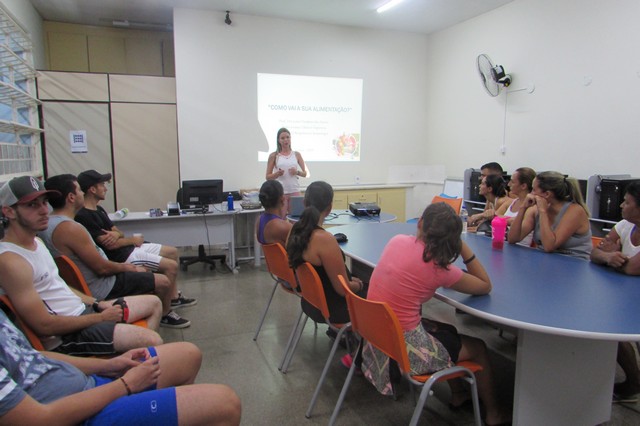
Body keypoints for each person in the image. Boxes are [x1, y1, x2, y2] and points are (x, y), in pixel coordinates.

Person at [361, 203, 510, 425]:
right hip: (407, 349)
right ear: (451, 239)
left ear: (420, 223)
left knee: (447, 330)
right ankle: (494, 415)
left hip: (379, 336)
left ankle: (459, 394)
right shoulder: (440, 269)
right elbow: (484, 285)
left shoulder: (397, 241)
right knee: (478, 347)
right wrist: (463, 248)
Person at [0, 176, 163, 356]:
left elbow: (59, 284)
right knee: (152, 340)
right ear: (9, 211)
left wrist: (96, 303)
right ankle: (127, 366)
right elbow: (44, 325)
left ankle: (131, 360)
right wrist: (100, 318)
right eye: (32, 205)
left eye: (45, 202)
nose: (44, 210)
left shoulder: (37, 241)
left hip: (84, 311)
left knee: (154, 303)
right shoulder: (11, 261)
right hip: (67, 335)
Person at [0, 309, 241, 425]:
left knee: (187, 354)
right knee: (225, 403)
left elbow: (32, 355)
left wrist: (107, 365)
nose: (44, 208)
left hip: (87, 385)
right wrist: (126, 385)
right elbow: (37, 420)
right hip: (73, 415)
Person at [41, 174, 189, 329]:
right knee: (163, 281)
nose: (82, 193)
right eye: (79, 190)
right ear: (71, 197)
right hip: (103, 285)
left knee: (165, 259)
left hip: (100, 278)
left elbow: (112, 240)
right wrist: (130, 268)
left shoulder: (50, 224)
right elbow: (102, 268)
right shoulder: (70, 228)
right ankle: (164, 315)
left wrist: (119, 238)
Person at [74, 170, 196, 312]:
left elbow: (118, 232)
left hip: (129, 248)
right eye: (102, 184)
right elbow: (111, 245)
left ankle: (173, 297)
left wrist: (116, 234)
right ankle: (165, 312)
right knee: (171, 266)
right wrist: (132, 240)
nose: (106, 188)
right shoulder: (83, 216)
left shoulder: (99, 209)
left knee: (172, 252)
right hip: (122, 256)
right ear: (92, 189)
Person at [286, 181, 364, 325]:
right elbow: (342, 289)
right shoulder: (324, 239)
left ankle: (345, 338)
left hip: (311, 303)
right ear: (329, 208)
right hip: (335, 310)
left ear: (304, 202)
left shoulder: (293, 230)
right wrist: (359, 285)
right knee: (375, 289)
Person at [590, 181, 640, 401]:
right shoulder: (624, 225)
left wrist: (613, 257)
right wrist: (610, 256)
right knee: (615, 334)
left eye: (627, 202)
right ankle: (634, 381)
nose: (621, 205)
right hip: (627, 295)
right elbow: (595, 253)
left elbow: (631, 269)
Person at [507, 171, 592, 259]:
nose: (530, 194)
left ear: (547, 194)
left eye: (534, 190)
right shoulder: (535, 210)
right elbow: (512, 238)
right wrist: (523, 208)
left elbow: (549, 246)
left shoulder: (575, 211)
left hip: (573, 261)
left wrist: (543, 212)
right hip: (546, 260)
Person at [265, 128, 308, 214]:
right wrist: (277, 174)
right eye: (283, 138)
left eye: (288, 137)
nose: (286, 140)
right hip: (281, 192)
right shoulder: (274, 156)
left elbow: (305, 173)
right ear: (279, 140)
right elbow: (267, 177)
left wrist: (297, 172)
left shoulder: (296, 154)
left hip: (295, 191)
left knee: (295, 219)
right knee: (281, 219)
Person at [495, 167, 536, 247]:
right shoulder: (511, 202)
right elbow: (494, 217)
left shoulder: (532, 208)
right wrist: (509, 220)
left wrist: (503, 219)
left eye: (512, 182)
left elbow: (498, 217)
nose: (509, 184)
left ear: (523, 186)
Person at [255, 180, 292, 247]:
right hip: (286, 257)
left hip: (270, 257)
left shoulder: (259, 220)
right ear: (282, 199)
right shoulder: (283, 227)